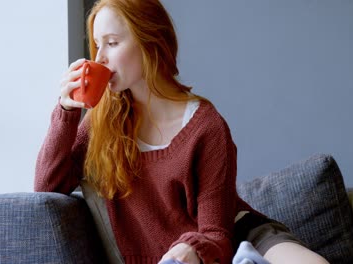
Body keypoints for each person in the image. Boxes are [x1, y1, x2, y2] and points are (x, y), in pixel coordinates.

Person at [34, 0, 329, 263]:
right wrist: (66, 110)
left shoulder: (206, 126)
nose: (99, 60)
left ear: (149, 41)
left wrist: (190, 247)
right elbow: (47, 188)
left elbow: (216, 232)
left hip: (235, 236)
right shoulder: (102, 123)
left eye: (111, 43)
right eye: (97, 45)